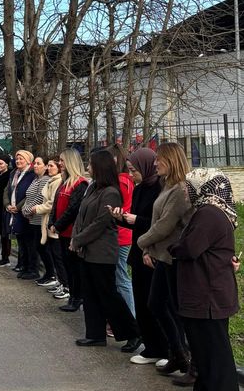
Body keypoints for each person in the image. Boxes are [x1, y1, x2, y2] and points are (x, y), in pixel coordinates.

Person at [170, 170, 239, 391]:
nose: (186, 192)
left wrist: (174, 248)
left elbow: (190, 247)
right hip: (209, 292)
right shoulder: (210, 211)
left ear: (202, 188)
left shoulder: (208, 213)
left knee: (214, 355)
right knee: (208, 355)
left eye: (189, 187)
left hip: (208, 295)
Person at [70, 150, 140, 350]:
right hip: (87, 250)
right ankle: (95, 334)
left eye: (91, 165)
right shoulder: (93, 189)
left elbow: (101, 222)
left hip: (102, 252)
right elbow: (81, 216)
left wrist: (78, 239)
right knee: (90, 294)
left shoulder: (111, 192)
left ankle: (132, 332)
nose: (88, 168)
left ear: (100, 167)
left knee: (108, 294)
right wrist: (76, 237)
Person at [136, 142, 192, 375]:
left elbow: (165, 225)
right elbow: (155, 221)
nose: (155, 163)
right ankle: (177, 353)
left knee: (173, 307)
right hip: (161, 255)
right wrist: (148, 249)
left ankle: (185, 356)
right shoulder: (166, 186)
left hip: (174, 257)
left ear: (171, 160)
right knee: (157, 303)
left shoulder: (181, 189)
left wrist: (141, 242)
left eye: (159, 159)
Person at [114, 148, 168, 365]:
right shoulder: (138, 189)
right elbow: (136, 220)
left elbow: (159, 223)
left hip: (154, 252)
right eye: (129, 170)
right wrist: (120, 218)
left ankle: (165, 347)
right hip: (139, 250)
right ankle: (151, 346)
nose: (132, 174)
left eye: (134, 170)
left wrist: (136, 220)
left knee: (156, 302)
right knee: (142, 300)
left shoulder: (159, 188)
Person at [50, 149, 89, 311]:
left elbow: (73, 209)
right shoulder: (64, 182)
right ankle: (73, 295)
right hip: (62, 231)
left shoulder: (80, 183)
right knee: (67, 265)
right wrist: (52, 221)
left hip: (71, 231)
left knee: (74, 267)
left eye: (62, 161)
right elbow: (56, 204)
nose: (60, 163)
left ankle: (77, 297)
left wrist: (58, 224)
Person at [107, 144, 136, 317]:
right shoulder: (125, 180)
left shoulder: (121, 181)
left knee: (121, 277)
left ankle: (130, 316)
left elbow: (118, 208)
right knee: (119, 276)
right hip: (121, 233)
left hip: (120, 235)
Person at [29, 156, 62, 286]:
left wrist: (36, 208)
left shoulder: (57, 181)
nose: (49, 168)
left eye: (51, 166)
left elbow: (51, 203)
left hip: (50, 220)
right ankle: (51, 275)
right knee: (44, 249)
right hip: (43, 219)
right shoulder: (50, 181)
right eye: (48, 165)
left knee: (53, 253)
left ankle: (57, 279)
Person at [18, 156, 51, 280]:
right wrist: (25, 209)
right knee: (30, 245)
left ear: (46, 166)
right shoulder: (36, 179)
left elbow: (39, 198)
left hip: (38, 218)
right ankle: (29, 268)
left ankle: (37, 271)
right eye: (35, 163)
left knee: (38, 247)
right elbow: (29, 196)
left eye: (39, 163)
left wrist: (25, 210)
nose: (35, 166)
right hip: (30, 217)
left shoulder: (45, 180)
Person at [3, 150, 35, 271]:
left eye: (21, 159)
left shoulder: (31, 175)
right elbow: (6, 190)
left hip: (23, 212)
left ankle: (28, 266)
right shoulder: (13, 173)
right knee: (19, 238)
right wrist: (7, 204)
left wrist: (18, 207)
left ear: (28, 161)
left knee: (26, 240)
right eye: (17, 159)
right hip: (12, 210)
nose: (18, 161)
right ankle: (21, 263)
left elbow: (29, 194)